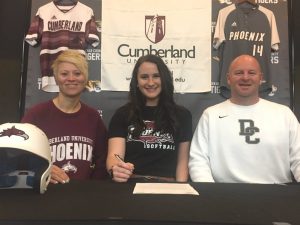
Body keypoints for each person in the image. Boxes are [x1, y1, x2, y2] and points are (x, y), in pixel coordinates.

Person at [189, 54, 300, 184]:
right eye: (239, 73)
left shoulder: (284, 114)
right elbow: (198, 160)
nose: (245, 77)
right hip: (224, 196)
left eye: (251, 73)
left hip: (277, 195)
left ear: (260, 78)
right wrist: (211, 194)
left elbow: (298, 157)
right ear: (228, 78)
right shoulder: (211, 115)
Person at [21, 49, 108, 184]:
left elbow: (103, 160)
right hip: (45, 197)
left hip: (83, 198)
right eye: (64, 74)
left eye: (77, 73)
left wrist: (92, 188)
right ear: (56, 78)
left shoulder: (93, 117)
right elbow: (21, 158)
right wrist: (41, 170)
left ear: (85, 78)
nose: (71, 78)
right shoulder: (36, 115)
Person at [106, 54, 193, 182]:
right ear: (136, 82)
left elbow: (182, 163)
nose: (151, 82)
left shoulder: (182, 115)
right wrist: (116, 169)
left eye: (156, 76)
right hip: (130, 188)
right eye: (144, 77)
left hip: (167, 189)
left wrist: (181, 193)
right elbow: (114, 156)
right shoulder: (122, 114)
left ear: (164, 79)